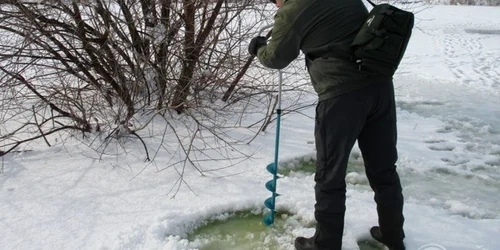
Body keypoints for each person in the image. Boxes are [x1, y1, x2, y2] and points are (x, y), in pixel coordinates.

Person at [248, 0, 406, 249]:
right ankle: (393, 235)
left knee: (329, 174)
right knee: (384, 170)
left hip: (341, 96)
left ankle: (326, 243)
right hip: (380, 88)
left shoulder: (293, 10)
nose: (275, 4)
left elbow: (276, 58)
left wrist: (259, 48)